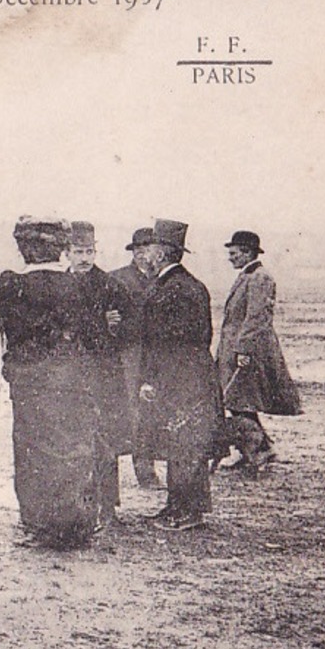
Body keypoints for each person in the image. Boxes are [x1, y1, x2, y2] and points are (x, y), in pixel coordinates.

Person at [0, 218, 101, 547]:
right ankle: (75, 524)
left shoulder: (11, 284)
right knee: (73, 449)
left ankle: (40, 525)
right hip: (73, 380)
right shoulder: (80, 286)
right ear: (61, 248)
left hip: (29, 381)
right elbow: (94, 332)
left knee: (32, 452)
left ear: (23, 249)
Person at [135, 219, 222, 531]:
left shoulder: (175, 289)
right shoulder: (183, 284)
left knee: (185, 443)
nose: (145, 255)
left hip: (182, 378)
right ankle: (178, 506)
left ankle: (186, 511)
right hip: (189, 375)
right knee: (181, 442)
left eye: (151, 249)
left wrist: (152, 379)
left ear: (162, 253)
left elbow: (167, 342)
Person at [216, 230, 301, 471]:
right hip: (236, 351)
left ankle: (258, 451)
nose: (230, 258)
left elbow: (257, 318)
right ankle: (256, 449)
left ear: (247, 252)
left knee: (239, 401)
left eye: (233, 254)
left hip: (247, 353)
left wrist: (244, 351)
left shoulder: (260, 277)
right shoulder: (248, 275)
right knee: (238, 402)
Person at [68, 222, 133, 527]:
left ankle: (108, 508)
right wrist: (97, 322)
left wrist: (113, 327)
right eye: (78, 251)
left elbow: (130, 331)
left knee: (105, 442)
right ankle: (77, 507)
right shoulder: (58, 285)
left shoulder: (109, 285)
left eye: (89, 251)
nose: (84, 257)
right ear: (67, 253)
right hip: (68, 377)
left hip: (102, 376)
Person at [108, 227, 162, 489]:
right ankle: (141, 471)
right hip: (129, 354)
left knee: (152, 409)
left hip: (157, 354)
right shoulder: (117, 279)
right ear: (136, 252)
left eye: (150, 250)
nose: (146, 256)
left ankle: (148, 467)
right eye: (141, 250)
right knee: (131, 410)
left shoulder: (164, 279)